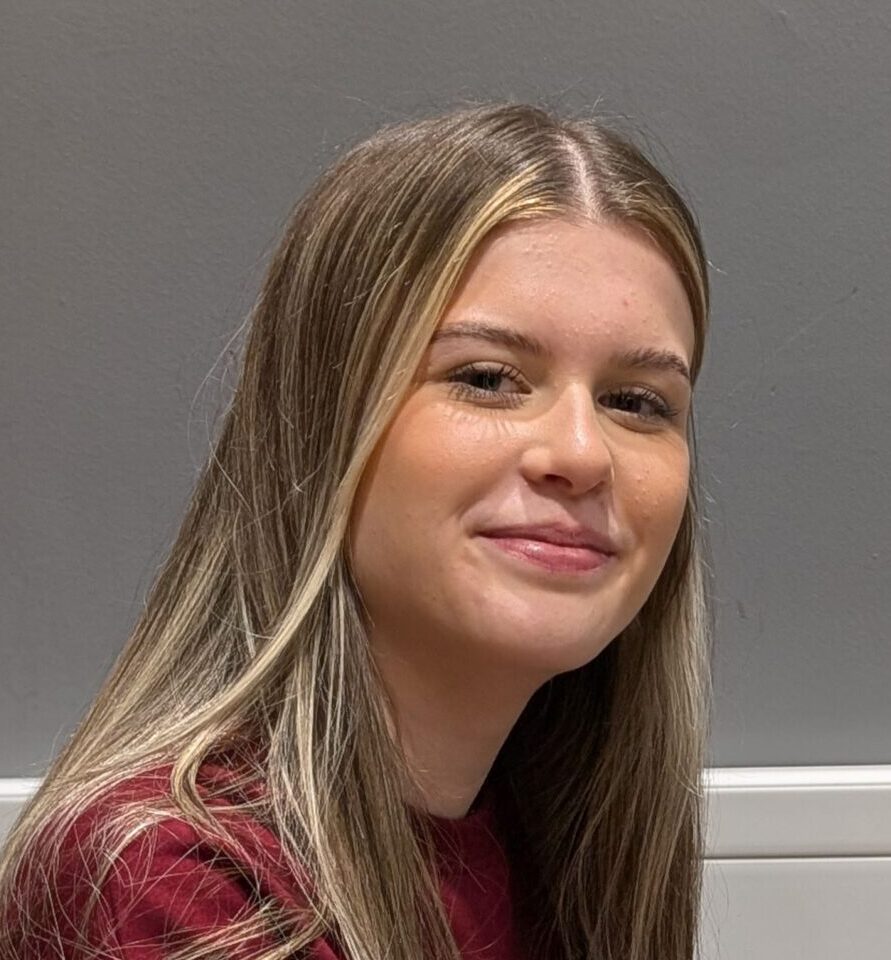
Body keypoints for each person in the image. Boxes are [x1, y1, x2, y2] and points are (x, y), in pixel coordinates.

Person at [0, 100, 713, 960]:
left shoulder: (564, 839)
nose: (578, 452)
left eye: (636, 402)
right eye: (487, 378)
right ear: (321, 423)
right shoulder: (165, 882)